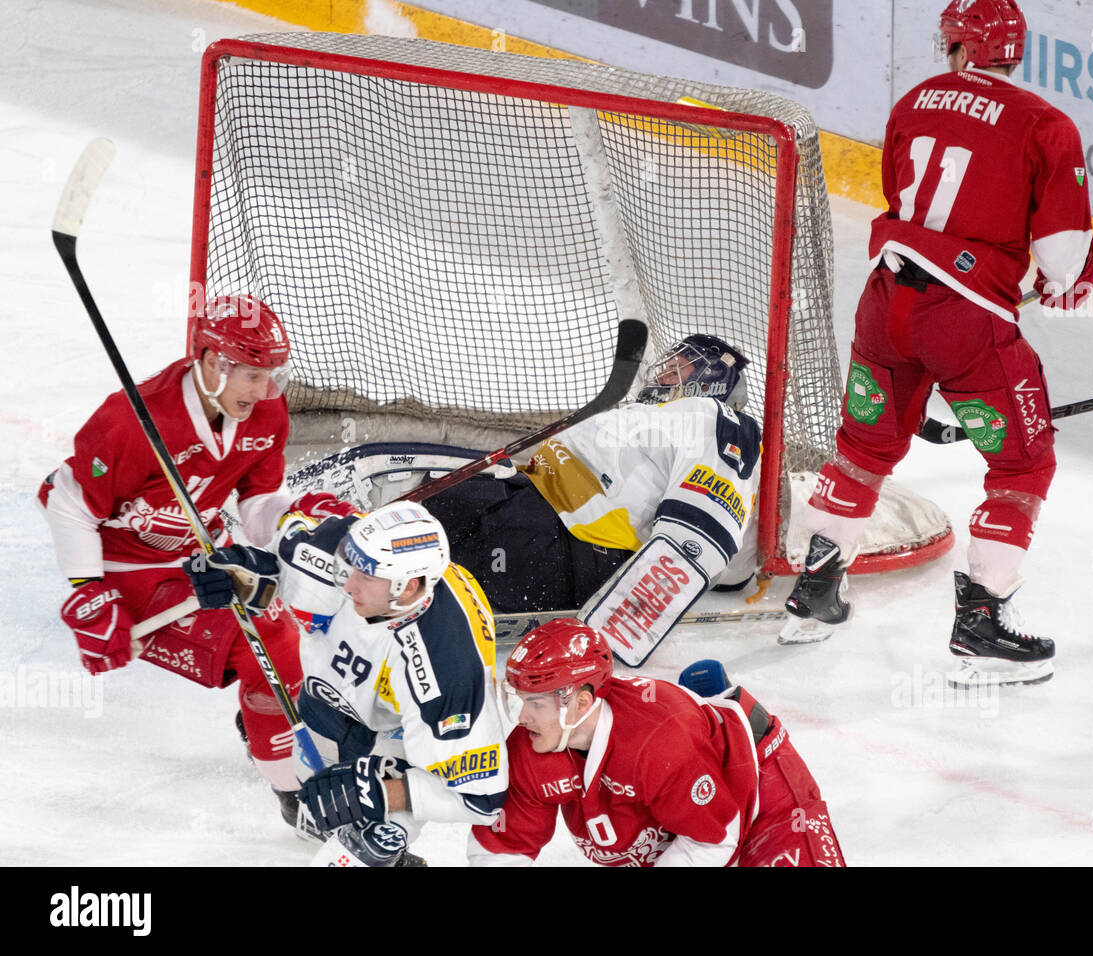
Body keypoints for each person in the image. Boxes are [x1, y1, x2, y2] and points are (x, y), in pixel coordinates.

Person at [783, 0, 1093, 687]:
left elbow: (910, 203)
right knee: (1021, 466)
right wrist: (1066, 281)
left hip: (885, 303)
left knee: (864, 448)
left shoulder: (917, 100)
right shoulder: (1048, 126)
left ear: (961, 48)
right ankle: (981, 624)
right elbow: (1064, 266)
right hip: (967, 325)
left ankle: (814, 591)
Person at [37, 295, 353, 822]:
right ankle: (299, 801)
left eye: (273, 374)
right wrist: (87, 589)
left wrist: (297, 520)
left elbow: (256, 503)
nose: (264, 390)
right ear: (211, 362)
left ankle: (272, 742)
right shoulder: (131, 420)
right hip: (125, 574)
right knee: (272, 652)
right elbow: (66, 501)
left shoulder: (264, 410)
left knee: (292, 637)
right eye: (252, 375)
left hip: (197, 560)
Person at [185, 500, 509, 866]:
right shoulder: (339, 547)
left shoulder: (450, 671)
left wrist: (378, 793)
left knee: (363, 843)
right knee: (310, 803)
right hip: (328, 699)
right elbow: (276, 564)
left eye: (366, 576)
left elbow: (480, 799)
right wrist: (244, 570)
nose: (348, 582)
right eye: (350, 563)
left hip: (398, 734)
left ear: (408, 587)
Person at [422, 334, 762, 666]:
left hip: (567, 546)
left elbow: (705, 531)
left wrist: (624, 622)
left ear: (712, 383)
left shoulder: (719, 419)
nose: (662, 374)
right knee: (439, 503)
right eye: (667, 365)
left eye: (678, 368)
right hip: (534, 507)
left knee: (431, 539)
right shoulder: (655, 415)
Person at [466, 618, 844, 866]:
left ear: (580, 702)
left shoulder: (658, 743)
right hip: (679, 809)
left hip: (759, 789)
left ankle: (709, 704)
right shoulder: (535, 742)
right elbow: (502, 849)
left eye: (534, 703)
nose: (521, 718)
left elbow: (713, 839)